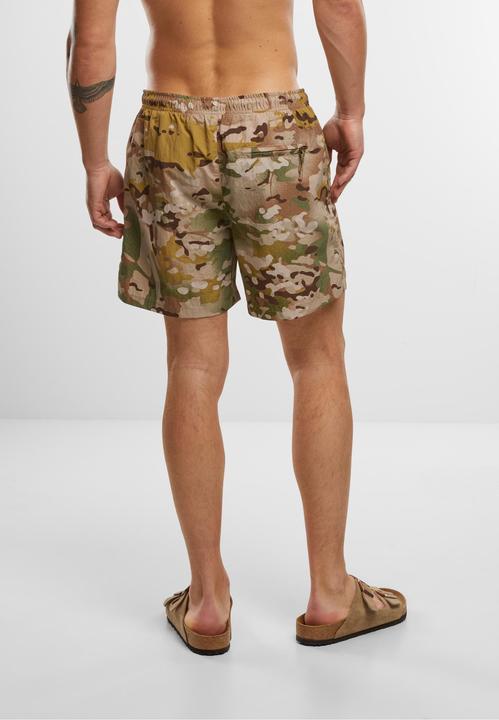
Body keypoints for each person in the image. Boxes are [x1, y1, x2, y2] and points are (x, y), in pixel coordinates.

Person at [67, 0, 406, 655]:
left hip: (169, 131)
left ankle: (206, 601)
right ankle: (330, 593)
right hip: (274, 126)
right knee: (316, 360)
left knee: (191, 367)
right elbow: (337, 4)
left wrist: (93, 161)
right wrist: (351, 112)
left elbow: (91, 41)